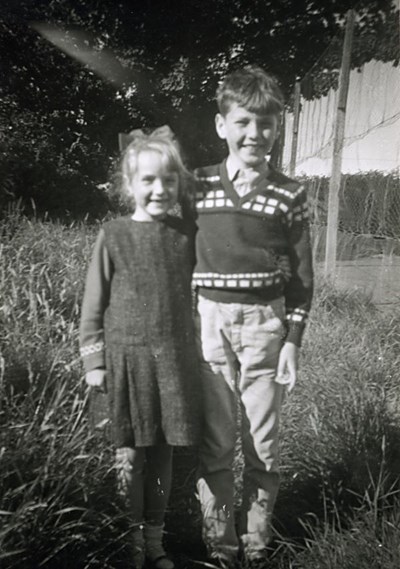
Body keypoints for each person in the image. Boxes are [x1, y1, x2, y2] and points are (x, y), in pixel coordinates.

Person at [193, 66, 314, 567]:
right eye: (243, 122)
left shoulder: (290, 193)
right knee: (217, 441)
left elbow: (303, 276)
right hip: (209, 324)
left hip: (267, 324)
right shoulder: (196, 186)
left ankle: (258, 544)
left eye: (266, 124)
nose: (255, 134)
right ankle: (220, 548)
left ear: (277, 128)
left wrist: (293, 340)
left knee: (262, 443)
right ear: (222, 125)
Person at [79, 128, 201, 569]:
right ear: (129, 185)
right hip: (126, 361)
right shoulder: (112, 235)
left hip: (172, 363)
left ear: (178, 185)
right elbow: (94, 303)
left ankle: (155, 540)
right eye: (147, 180)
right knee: (129, 455)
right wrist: (94, 360)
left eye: (169, 180)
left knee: (163, 456)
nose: (158, 189)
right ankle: (131, 542)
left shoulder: (185, 235)